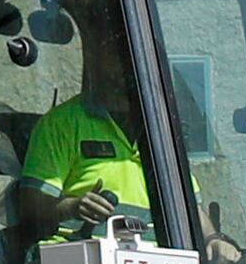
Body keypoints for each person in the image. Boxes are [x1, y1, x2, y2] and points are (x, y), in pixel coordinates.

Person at [19, 92, 151, 227]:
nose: (122, 78)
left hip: (151, 247)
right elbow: (31, 208)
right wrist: (72, 208)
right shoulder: (64, 121)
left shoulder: (164, 128)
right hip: (72, 245)